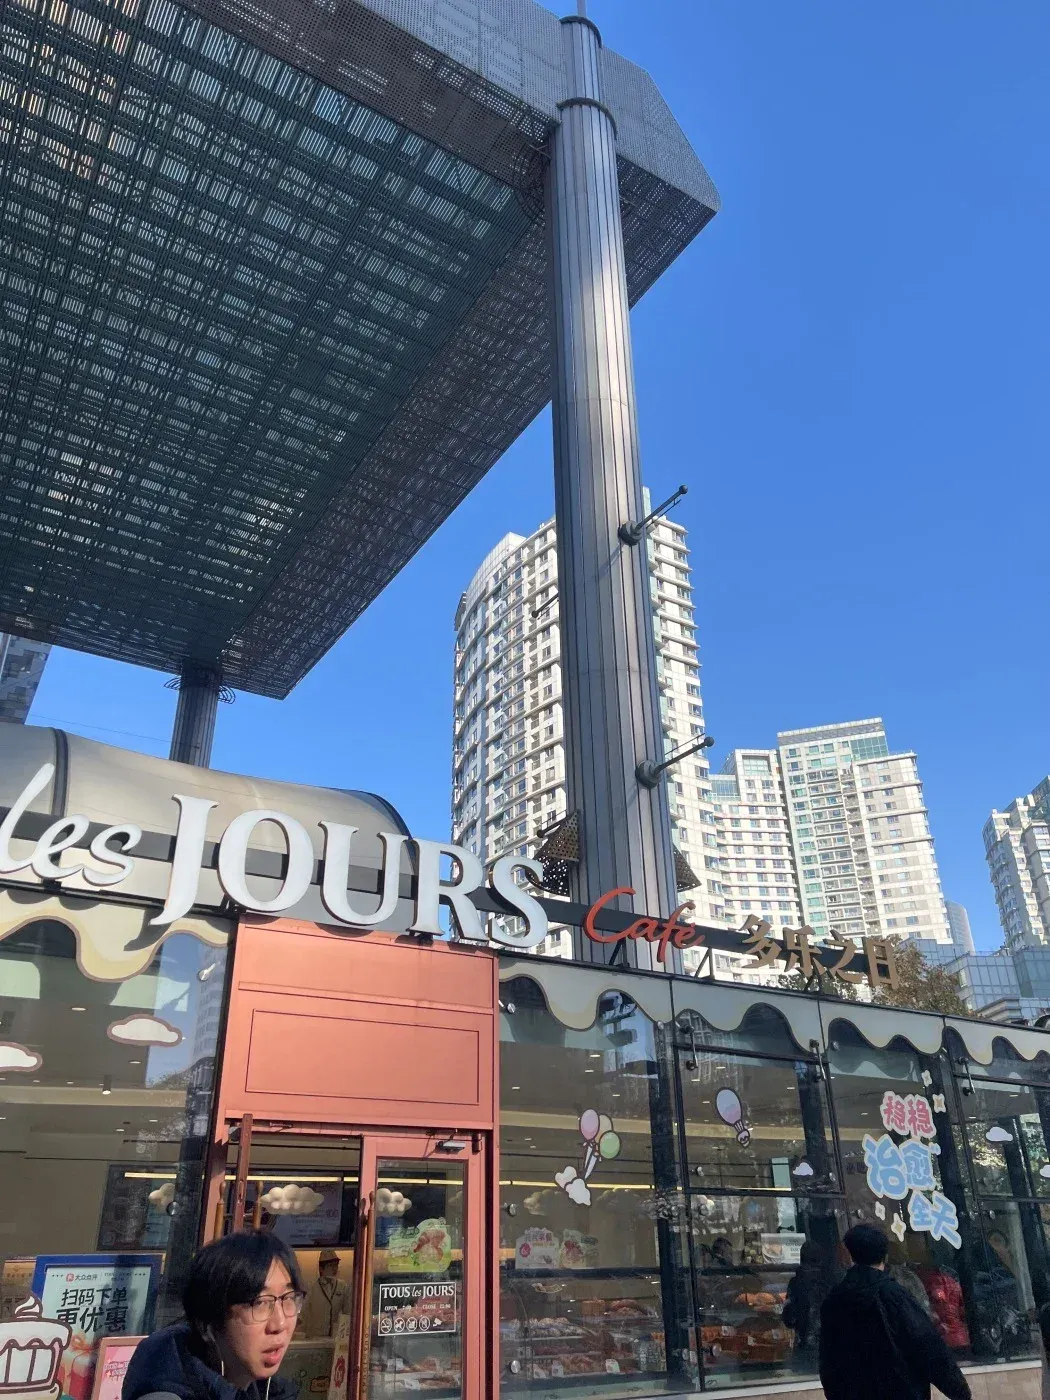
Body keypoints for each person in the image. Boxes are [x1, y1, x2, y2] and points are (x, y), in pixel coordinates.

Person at [124, 1234, 304, 1400]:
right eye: (259, 1303)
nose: (280, 1324)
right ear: (207, 1324)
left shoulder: (264, 1390)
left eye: (288, 1298)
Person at [818, 1223, 971, 1400]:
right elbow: (926, 1345)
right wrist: (959, 1391)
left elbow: (828, 1360)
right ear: (885, 1255)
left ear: (851, 1254)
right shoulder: (894, 1295)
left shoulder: (834, 1300)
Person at [299, 1250, 349, 1338]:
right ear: (321, 1269)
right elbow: (304, 1314)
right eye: (330, 1265)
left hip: (335, 1337)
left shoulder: (343, 1286)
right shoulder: (312, 1287)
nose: (334, 1269)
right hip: (314, 1337)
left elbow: (347, 1313)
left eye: (336, 1265)